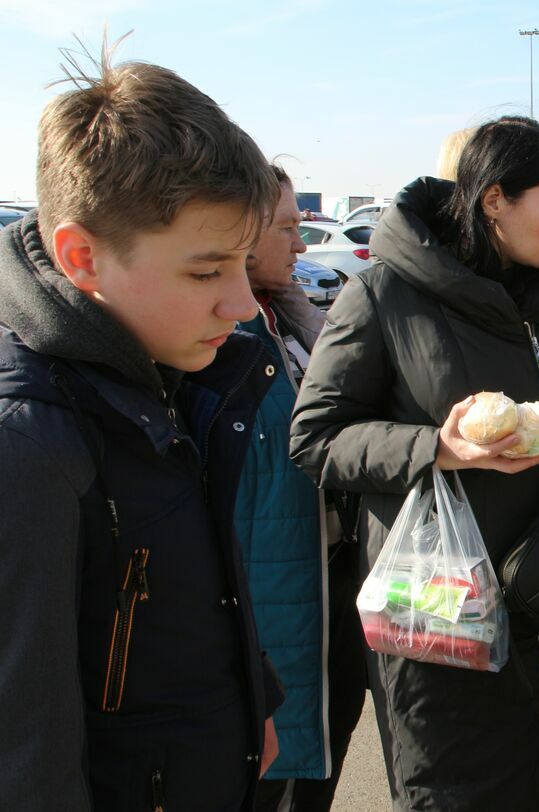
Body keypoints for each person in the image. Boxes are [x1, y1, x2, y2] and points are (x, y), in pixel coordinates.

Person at [289, 116, 539, 811]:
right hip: (446, 624)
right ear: (494, 203)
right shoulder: (385, 294)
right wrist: (439, 449)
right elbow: (315, 437)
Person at [0, 45, 282, 808]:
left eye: (243, 266)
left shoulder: (173, 368)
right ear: (82, 257)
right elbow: (22, 741)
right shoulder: (28, 440)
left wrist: (253, 694)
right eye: (205, 271)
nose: (243, 305)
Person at [238, 165, 367, 811]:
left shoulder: (295, 319)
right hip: (277, 600)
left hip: (335, 578)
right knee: (275, 778)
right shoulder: (217, 337)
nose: (300, 243)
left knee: (324, 751)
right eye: (287, 227)